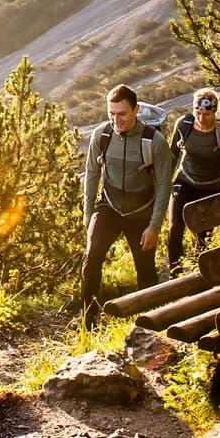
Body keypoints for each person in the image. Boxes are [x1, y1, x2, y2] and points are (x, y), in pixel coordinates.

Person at [80, 83, 171, 316]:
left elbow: (163, 186)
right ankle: (87, 318)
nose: (116, 120)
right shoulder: (101, 135)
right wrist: (88, 212)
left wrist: (154, 227)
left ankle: (152, 322)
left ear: (136, 109)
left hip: (140, 212)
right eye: (111, 114)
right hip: (109, 206)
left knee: (146, 271)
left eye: (121, 114)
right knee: (92, 257)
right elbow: (92, 173)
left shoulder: (154, 141)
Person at [165, 87, 220, 274]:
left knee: (204, 234)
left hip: (210, 186)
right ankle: (176, 274)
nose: (201, 118)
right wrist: (164, 181)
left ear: (215, 112)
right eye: (198, 113)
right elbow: (173, 156)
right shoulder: (184, 125)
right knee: (175, 228)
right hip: (185, 181)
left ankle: (201, 273)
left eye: (206, 114)